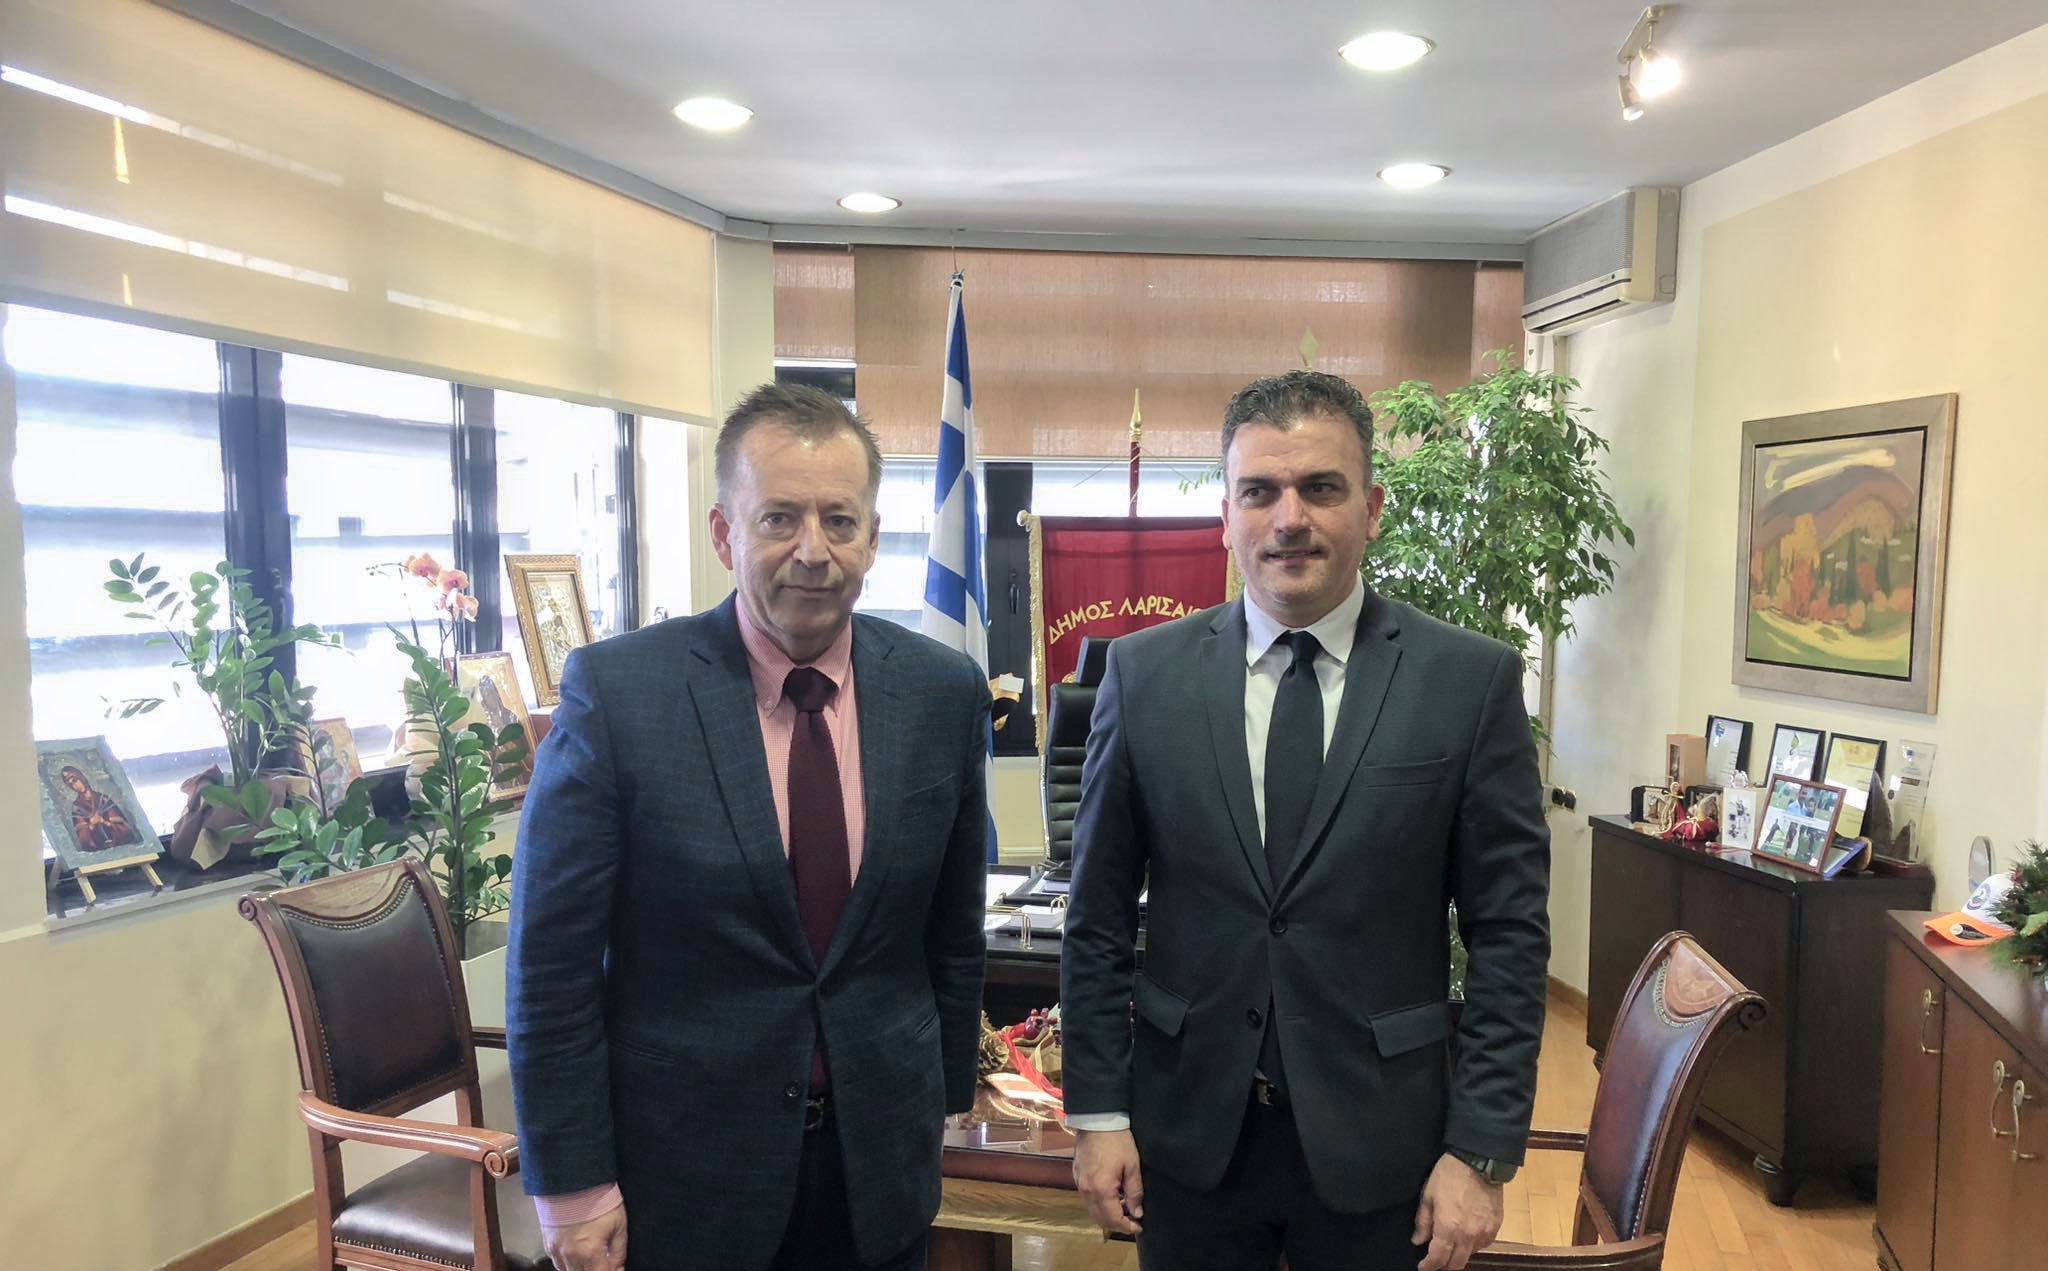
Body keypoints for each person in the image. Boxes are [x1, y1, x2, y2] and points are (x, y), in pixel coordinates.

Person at [1061, 370, 1550, 1271]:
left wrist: (1480, 1149)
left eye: (1320, 487)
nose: (1289, 518)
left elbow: (1509, 935)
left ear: (1371, 508)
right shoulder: (1142, 675)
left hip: (1385, 1145)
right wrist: (1097, 1112)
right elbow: (1095, 917)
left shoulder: (1469, 683)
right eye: (1260, 491)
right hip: (1187, 1138)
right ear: (1226, 515)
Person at [507, 383, 992, 1271]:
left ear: (873, 538)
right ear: (724, 534)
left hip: (879, 1169)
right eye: (779, 518)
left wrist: (944, 1103)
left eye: (839, 520)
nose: (813, 550)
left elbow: (952, 937)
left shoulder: (943, 693)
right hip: (685, 1180)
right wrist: (573, 1186)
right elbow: (551, 967)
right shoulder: (620, 696)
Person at [59, 764, 139, 854]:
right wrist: (91, 825)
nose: (76, 785)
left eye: (75, 780)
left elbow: (125, 828)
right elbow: (84, 839)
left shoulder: (103, 799)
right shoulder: (77, 807)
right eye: (71, 784)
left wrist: (104, 821)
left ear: (81, 777)